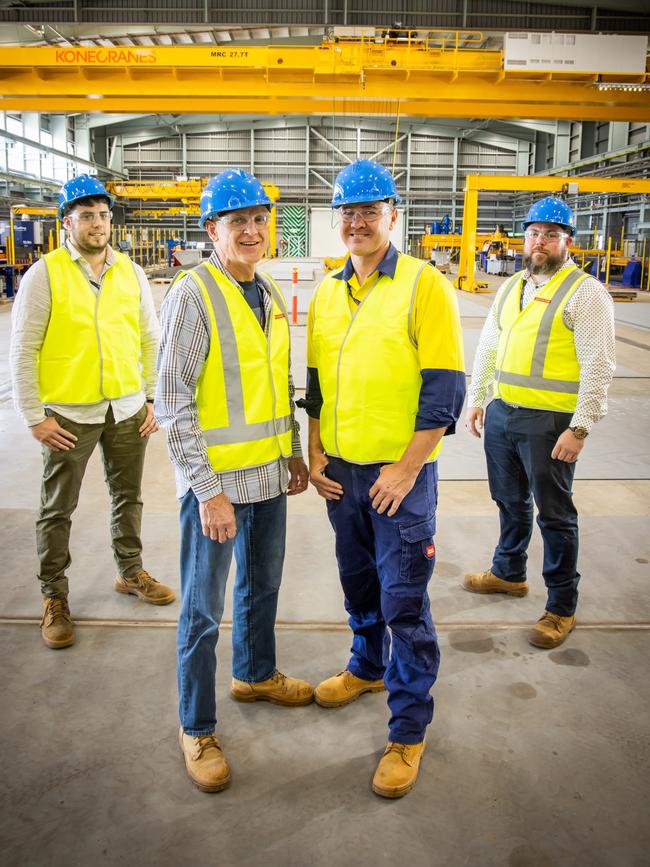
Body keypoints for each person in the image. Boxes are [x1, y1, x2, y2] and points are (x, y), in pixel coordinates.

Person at [302, 159, 465, 799]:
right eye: (348, 211)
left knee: (405, 600)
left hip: (400, 477)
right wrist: (314, 453)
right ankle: (367, 667)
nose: (358, 222)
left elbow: (444, 388)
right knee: (358, 581)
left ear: (392, 216)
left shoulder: (424, 286)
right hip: (341, 475)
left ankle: (407, 729)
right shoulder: (325, 292)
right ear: (337, 221)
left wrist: (405, 467)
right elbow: (314, 386)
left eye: (370, 210)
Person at [155, 168, 312, 794]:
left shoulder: (268, 292)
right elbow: (173, 403)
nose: (251, 230)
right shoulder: (193, 295)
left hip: (271, 477)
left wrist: (294, 450)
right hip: (216, 488)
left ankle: (254, 673)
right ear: (212, 230)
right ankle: (196, 726)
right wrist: (207, 489)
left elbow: (277, 387)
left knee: (262, 585)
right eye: (236, 221)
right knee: (201, 608)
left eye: (258, 219)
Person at [10, 174, 172, 651]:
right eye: (86, 215)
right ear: (67, 222)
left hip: (125, 409)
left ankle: (129, 571)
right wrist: (34, 417)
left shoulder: (131, 272)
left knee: (129, 496)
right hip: (68, 416)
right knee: (57, 507)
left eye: (103, 215)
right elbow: (23, 350)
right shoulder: (44, 273)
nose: (98, 223)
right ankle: (54, 596)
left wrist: (150, 397)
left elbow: (149, 339)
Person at [464, 196, 615, 649]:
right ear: (524, 238)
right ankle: (509, 573)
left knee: (555, 515)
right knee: (508, 501)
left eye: (551, 234)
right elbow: (489, 343)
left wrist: (580, 426)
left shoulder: (586, 293)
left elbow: (599, 365)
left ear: (568, 241)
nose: (540, 241)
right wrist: (478, 396)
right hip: (503, 414)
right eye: (534, 233)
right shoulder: (512, 286)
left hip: (550, 424)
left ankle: (561, 606)